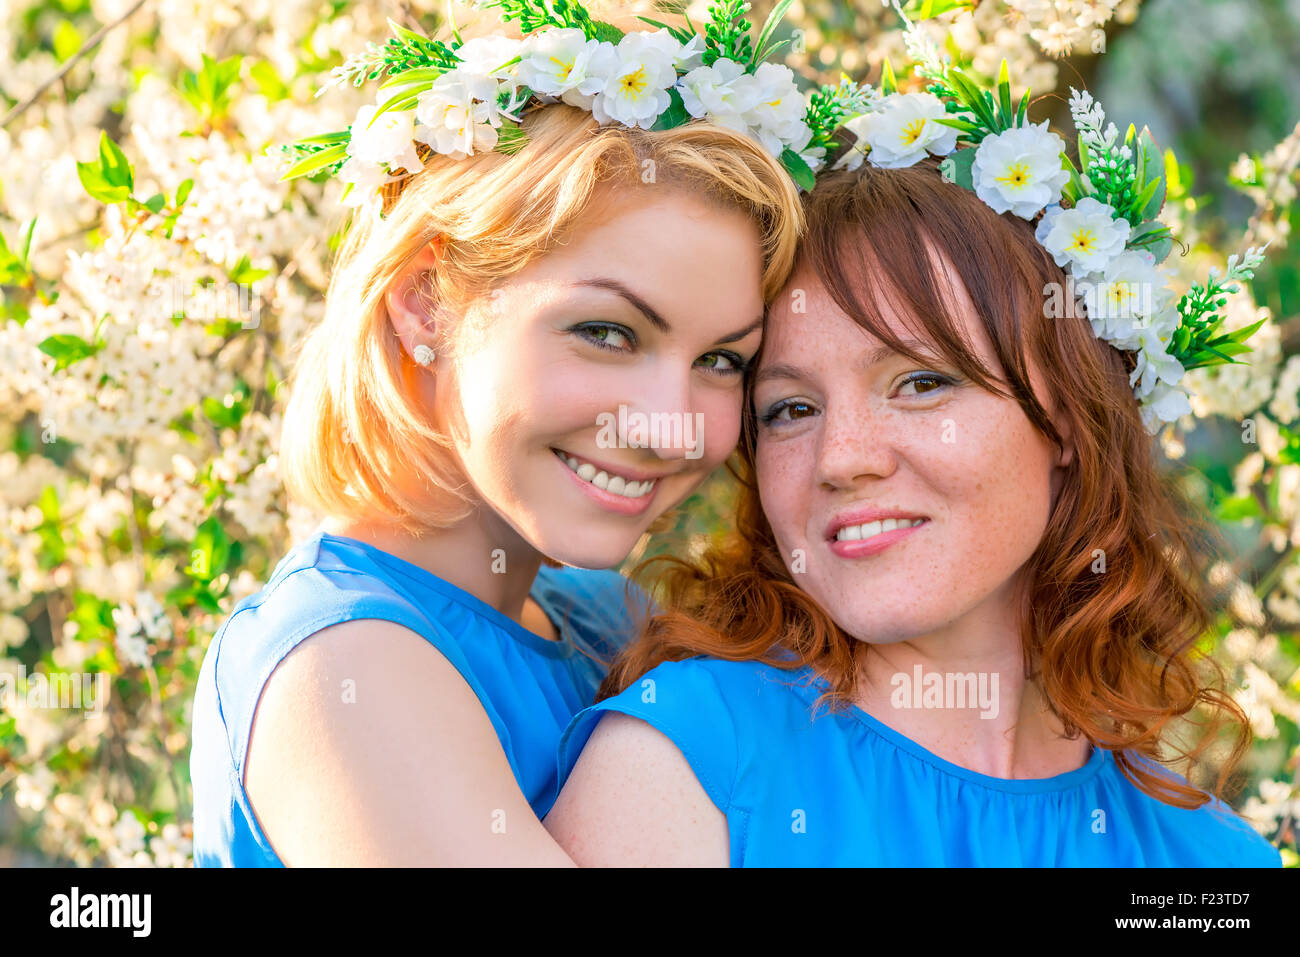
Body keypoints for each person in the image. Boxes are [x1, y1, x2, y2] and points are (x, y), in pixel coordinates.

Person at [545, 71, 1284, 865]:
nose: (842, 458)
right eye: (791, 408)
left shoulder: (1209, 861)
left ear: (1069, 415)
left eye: (922, 382)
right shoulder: (685, 768)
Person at [189, 5, 811, 866]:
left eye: (722, 360)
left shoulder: (610, 617)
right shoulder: (346, 667)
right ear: (424, 302)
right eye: (607, 332)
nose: (671, 424)